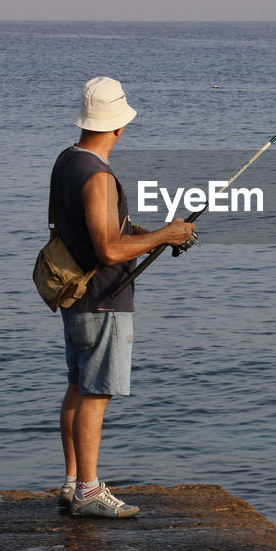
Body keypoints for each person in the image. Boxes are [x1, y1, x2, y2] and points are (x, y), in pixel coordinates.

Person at [49, 76, 195, 518]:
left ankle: (74, 483)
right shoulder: (98, 176)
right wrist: (167, 234)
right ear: (119, 126)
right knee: (96, 393)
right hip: (102, 298)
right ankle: (91, 492)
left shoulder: (68, 161)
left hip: (78, 295)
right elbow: (108, 249)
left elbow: (96, 232)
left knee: (78, 386)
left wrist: (152, 237)